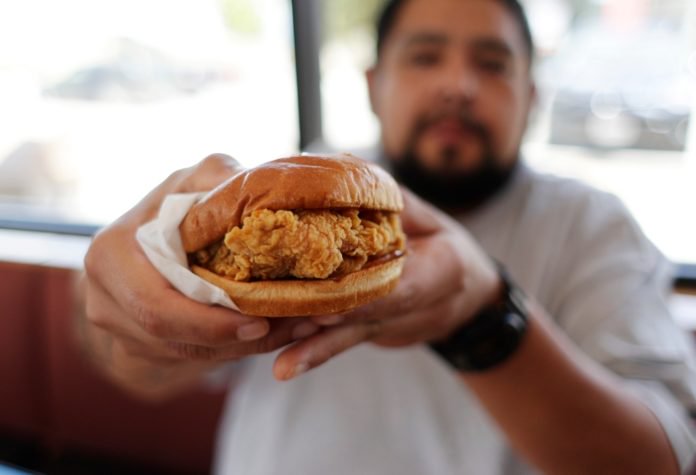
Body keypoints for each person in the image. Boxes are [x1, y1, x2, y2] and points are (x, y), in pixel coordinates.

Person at [79, 0, 696, 473]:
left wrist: (482, 314)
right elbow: (136, 375)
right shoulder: (287, 187)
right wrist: (131, 311)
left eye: (492, 63)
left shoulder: (593, 227)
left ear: (531, 98)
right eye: (425, 56)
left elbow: (662, 458)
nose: (458, 84)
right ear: (375, 85)